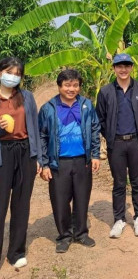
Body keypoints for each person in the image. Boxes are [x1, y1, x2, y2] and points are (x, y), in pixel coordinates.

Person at [39, 69, 100, 253]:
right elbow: (41, 136)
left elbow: (95, 129)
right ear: (59, 86)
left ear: (79, 87)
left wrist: (95, 154)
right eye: (67, 85)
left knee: (82, 198)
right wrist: (44, 163)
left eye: (75, 85)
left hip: (82, 160)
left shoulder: (86, 105)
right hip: (59, 162)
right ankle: (64, 235)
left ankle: (81, 233)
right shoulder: (48, 108)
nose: (71, 89)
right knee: (60, 200)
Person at [96, 53, 138, 238]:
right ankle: (119, 219)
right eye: (119, 66)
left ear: (132, 67)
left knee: (137, 182)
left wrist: (137, 134)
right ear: (114, 68)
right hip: (116, 144)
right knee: (119, 183)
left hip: (136, 142)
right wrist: (110, 135)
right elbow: (100, 118)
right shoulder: (105, 92)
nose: (123, 69)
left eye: (127, 65)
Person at [0, 57, 41, 268]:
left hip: (25, 152)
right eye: (9, 72)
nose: (13, 77)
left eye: (17, 74)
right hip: (2, 153)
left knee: (21, 204)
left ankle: (16, 252)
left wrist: (39, 158)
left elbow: (34, 127)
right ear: (0, 72)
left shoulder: (27, 97)